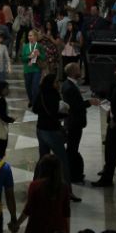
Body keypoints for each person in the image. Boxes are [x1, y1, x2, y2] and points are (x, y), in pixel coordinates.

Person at [33, 74, 81, 202]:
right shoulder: (53, 95)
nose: (58, 84)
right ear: (51, 83)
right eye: (56, 82)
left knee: (43, 159)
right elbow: (56, 112)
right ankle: (68, 191)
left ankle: (36, 186)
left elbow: (35, 109)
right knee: (62, 162)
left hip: (40, 129)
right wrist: (65, 112)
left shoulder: (41, 93)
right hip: (51, 131)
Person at [9, 155, 70, 233]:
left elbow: (28, 209)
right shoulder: (64, 187)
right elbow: (66, 213)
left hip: (37, 228)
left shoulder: (35, 185)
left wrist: (17, 224)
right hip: (58, 227)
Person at [61, 63, 100, 183]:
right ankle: (72, 175)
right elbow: (74, 106)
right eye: (78, 69)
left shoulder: (70, 84)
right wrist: (89, 102)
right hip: (74, 123)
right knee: (72, 149)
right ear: (73, 72)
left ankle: (72, 173)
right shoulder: (69, 87)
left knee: (73, 148)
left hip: (73, 122)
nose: (81, 71)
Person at [22, 30, 46, 108]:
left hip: (36, 69)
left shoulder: (39, 46)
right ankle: (31, 100)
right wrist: (29, 57)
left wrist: (39, 55)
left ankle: (35, 103)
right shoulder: (25, 46)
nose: (29, 37)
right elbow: (22, 59)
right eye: (29, 36)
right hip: (27, 69)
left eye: (31, 35)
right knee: (28, 87)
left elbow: (44, 57)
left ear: (35, 37)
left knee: (35, 87)